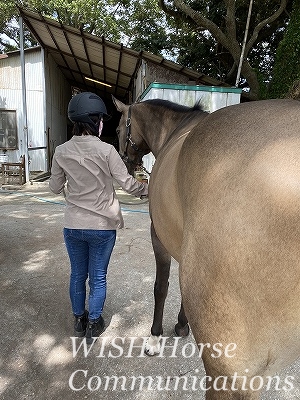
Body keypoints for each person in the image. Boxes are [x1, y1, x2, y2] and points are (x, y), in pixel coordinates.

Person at [49, 91, 148, 343]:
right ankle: (94, 321)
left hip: (73, 225)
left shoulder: (61, 151)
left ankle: (78, 320)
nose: (102, 123)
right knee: (98, 276)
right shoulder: (107, 151)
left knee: (77, 275)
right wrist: (149, 190)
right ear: (95, 121)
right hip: (102, 227)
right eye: (101, 119)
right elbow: (127, 183)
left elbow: (53, 187)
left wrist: (69, 183)